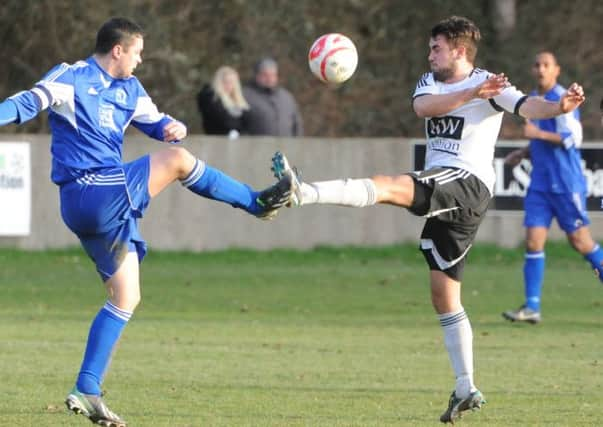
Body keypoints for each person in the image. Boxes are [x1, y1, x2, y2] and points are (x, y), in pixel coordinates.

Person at [269, 16, 585, 424]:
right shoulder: (433, 82)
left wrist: (559, 106)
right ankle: (465, 385)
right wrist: (471, 93)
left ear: (458, 49)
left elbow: (528, 107)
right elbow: (424, 107)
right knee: (443, 293)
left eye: (436, 48)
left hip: (466, 182)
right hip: (449, 188)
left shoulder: (492, 83)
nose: (429, 54)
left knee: (388, 186)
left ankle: (305, 192)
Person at [0, 17, 293, 426]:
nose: (140, 60)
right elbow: (25, 103)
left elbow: (156, 123)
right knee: (177, 162)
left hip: (102, 204)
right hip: (88, 190)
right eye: (137, 52)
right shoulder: (71, 77)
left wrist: (172, 127)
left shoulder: (130, 90)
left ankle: (87, 388)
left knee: (125, 296)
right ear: (117, 50)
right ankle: (256, 202)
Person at [501, 51, 603, 324]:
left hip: (566, 183)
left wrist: (536, 135)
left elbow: (573, 139)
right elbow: (543, 140)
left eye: (546, 65)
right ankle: (532, 307)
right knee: (534, 241)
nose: (541, 69)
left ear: (556, 70)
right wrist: (524, 152)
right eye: (537, 64)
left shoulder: (563, 99)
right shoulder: (533, 100)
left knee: (581, 242)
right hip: (540, 186)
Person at [242, 57, 303, 136]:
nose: (269, 79)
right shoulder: (245, 96)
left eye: (272, 75)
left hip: (286, 146)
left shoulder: (286, 96)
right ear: (257, 75)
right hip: (256, 147)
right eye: (265, 75)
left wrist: (297, 144)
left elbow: (297, 124)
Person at [196, 65, 249, 137]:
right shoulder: (212, 98)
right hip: (217, 138)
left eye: (232, 82)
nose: (229, 85)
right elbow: (223, 120)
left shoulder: (238, 99)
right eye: (226, 82)